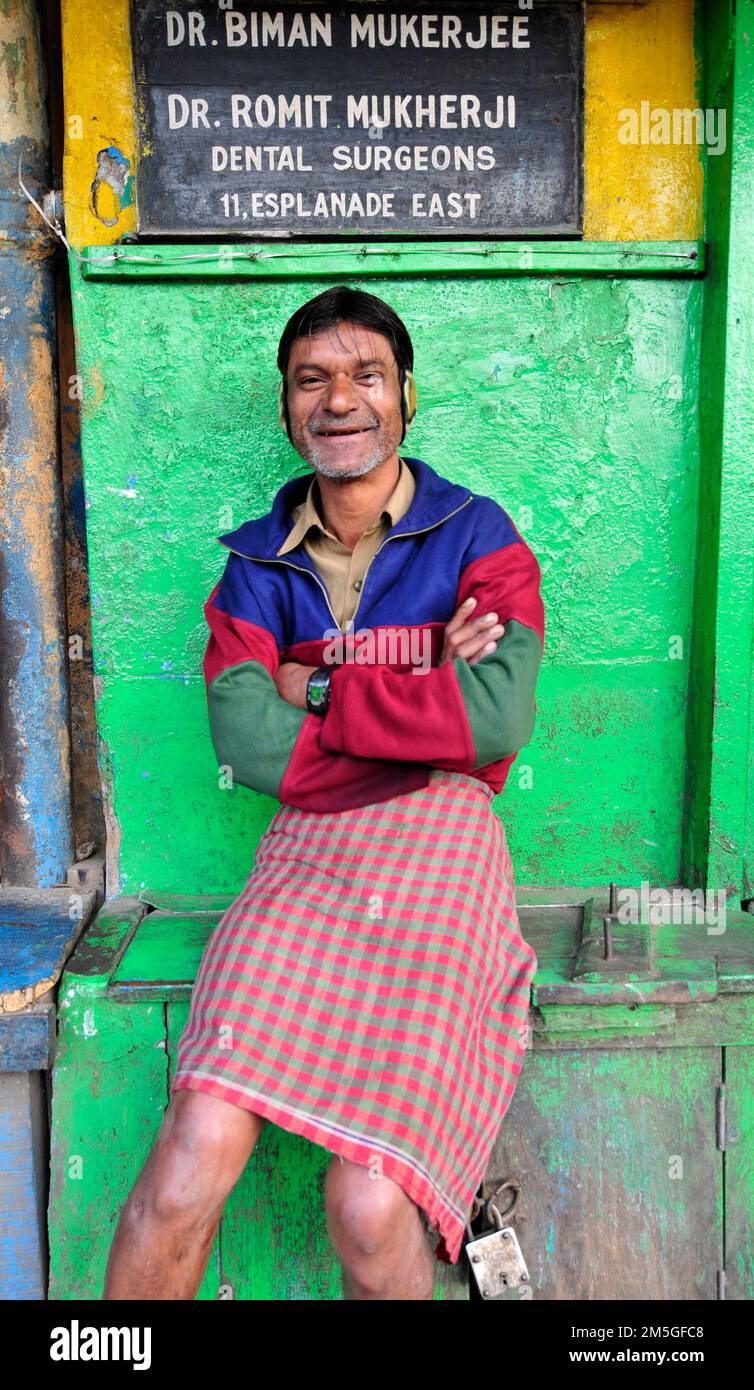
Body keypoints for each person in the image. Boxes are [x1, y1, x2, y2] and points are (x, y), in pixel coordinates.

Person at [104, 284, 544, 1301]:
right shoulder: (253, 568)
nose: (338, 399)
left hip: (444, 860)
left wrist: (322, 687)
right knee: (188, 1158)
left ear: (406, 397)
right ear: (285, 408)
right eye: (312, 379)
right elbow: (250, 742)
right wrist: (417, 694)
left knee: (367, 1202)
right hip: (305, 862)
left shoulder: (480, 536)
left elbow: (493, 724)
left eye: (365, 375)